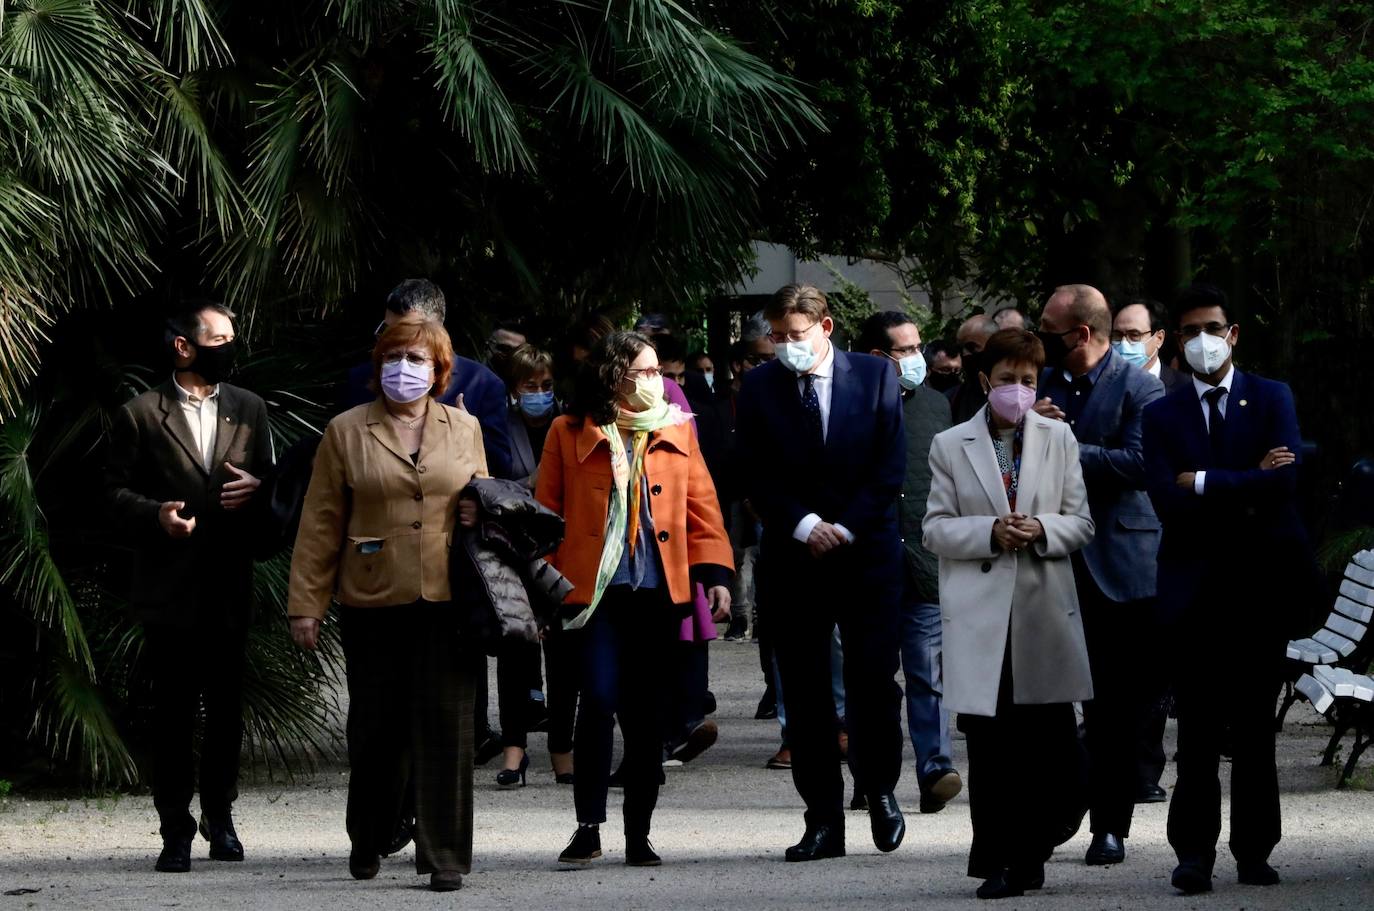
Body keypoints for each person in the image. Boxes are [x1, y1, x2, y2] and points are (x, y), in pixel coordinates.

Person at [288, 314, 487, 893]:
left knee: (448, 725)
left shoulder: (463, 427)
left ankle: (444, 854)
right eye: (396, 357)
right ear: (378, 367)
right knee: (378, 728)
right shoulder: (346, 430)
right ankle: (369, 834)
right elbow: (321, 521)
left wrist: (480, 509)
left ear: (440, 370)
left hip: (449, 596)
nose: (407, 369)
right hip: (372, 597)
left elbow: (484, 496)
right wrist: (307, 603)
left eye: (419, 359)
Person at [536, 331, 733, 867]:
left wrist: (715, 573)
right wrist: (546, 594)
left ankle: (637, 832)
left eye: (657, 372)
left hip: (657, 592)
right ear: (613, 376)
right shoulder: (568, 430)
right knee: (597, 700)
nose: (657, 381)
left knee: (647, 715)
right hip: (592, 594)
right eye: (644, 372)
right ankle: (588, 825)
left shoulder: (676, 425)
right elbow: (545, 516)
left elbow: (702, 505)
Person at [1143, 284, 1307, 895]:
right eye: (1189, 331)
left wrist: (1205, 482)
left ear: (1233, 333)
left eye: (1212, 327)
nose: (1202, 340)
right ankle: (1193, 855)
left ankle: (1255, 852)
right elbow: (1166, 497)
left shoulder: (1271, 397)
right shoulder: (1162, 413)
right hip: (1193, 594)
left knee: (1256, 732)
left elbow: (1284, 487)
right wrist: (1246, 482)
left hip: (1259, 591)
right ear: (1178, 344)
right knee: (1199, 734)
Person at [737, 283, 907, 863]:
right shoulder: (760, 386)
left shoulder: (876, 377)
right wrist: (805, 525)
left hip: (866, 553)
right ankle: (822, 821)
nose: (786, 347)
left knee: (874, 682)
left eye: (796, 336)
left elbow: (890, 470)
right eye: (777, 337)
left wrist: (846, 527)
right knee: (806, 692)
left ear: (826, 328)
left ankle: (879, 788)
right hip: (795, 556)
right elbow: (753, 471)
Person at [923, 328, 1095, 899]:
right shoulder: (951, 444)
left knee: (1052, 747)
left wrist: (1042, 528)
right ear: (983, 381)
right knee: (993, 750)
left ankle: (1036, 845)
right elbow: (935, 528)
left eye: (1028, 380)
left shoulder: (1059, 440)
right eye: (1006, 380)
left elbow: (1081, 521)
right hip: (982, 617)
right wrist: (989, 532)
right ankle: (997, 860)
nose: (1017, 391)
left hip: (1044, 612)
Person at [106, 301, 273, 874]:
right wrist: (156, 516)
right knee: (173, 714)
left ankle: (220, 818)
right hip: (168, 590)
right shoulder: (139, 413)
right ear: (184, 346)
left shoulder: (250, 408)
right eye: (218, 337)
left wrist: (260, 486)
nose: (229, 346)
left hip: (229, 583)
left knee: (227, 711)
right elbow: (110, 495)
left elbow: (274, 489)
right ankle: (174, 827)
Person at [1035, 284, 1166, 866]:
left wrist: (1064, 444)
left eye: (1050, 328)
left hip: (1117, 567)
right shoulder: (1043, 385)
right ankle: (1063, 803)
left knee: (1115, 706)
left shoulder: (1142, 386)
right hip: (1051, 563)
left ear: (1082, 334)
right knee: (1052, 701)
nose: (1042, 338)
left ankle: (1110, 825)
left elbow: (1142, 464)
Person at [857, 311, 963, 814]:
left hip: (924, 562)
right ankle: (872, 776)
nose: (918, 358)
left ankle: (935, 768)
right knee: (873, 681)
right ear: (878, 357)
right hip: (867, 566)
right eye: (905, 350)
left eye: (918, 346)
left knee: (928, 674)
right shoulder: (851, 405)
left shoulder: (938, 405)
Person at [339, 278, 512, 481]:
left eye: (406, 333)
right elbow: (338, 467)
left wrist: (469, 435)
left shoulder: (483, 384)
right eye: (387, 331)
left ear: (437, 332)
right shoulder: (361, 378)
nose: (392, 342)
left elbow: (501, 470)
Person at [499, 344, 573, 786]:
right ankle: (514, 751)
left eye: (546, 385)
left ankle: (562, 748)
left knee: (565, 656)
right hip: (514, 550)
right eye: (530, 386)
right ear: (514, 389)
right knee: (515, 651)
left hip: (563, 553)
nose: (540, 394)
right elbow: (491, 485)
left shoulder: (569, 423)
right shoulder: (501, 426)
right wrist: (537, 482)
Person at [1113, 298, 1191, 392]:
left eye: (1134, 335)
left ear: (1159, 338)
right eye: (1117, 335)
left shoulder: (1186, 387)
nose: (1123, 343)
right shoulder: (1099, 384)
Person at [948, 314, 1000, 423]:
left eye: (972, 347)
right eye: (960, 348)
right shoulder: (954, 398)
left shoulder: (1012, 392)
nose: (965, 354)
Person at [485, 320, 528, 386]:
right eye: (505, 349)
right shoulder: (469, 378)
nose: (511, 355)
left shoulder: (526, 388)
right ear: (488, 346)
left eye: (519, 352)